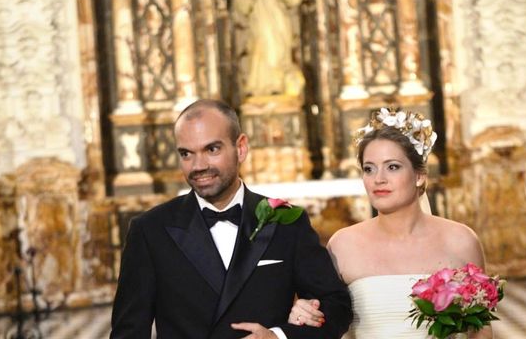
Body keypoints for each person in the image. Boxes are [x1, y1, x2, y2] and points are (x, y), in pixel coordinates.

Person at [110, 99, 352, 338]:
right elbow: (128, 333)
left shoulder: (285, 221)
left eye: (212, 149)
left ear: (241, 148)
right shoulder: (150, 231)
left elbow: (337, 306)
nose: (198, 165)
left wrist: (278, 337)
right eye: (186, 154)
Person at [287, 108, 492, 338]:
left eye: (392, 166)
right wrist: (303, 312)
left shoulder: (461, 241)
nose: (379, 179)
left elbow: (480, 331)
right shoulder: (343, 245)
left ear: (419, 175)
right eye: (369, 169)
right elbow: (324, 319)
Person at [233, 0, 304, 98]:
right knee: (261, 51)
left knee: (279, 53)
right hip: (259, 24)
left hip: (278, 23)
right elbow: (242, 8)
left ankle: (278, 84)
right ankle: (261, 87)